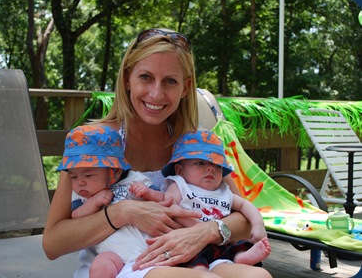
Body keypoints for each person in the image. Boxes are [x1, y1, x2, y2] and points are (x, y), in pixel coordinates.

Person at [43, 28, 272, 278]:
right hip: (123, 266)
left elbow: (243, 218)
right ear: (128, 77)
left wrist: (204, 232)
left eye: (170, 81)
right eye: (145, 77)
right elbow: (53, 244)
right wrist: (123, 212)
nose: (156, 94)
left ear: (185, 88)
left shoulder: (195, 142)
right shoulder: (94, 142)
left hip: (191, 261)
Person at [57, 124, 164, 278]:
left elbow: (162, 199)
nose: (80, 182)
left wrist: (148, 193)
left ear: (115, 172)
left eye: (88, 175)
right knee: (99, 268)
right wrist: (93, 202)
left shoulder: (134, 180)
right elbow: (76, 216)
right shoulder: (83, 195)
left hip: (150, 249)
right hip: (112, 255)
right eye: (74, 176)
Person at [161, 129, 271, 272]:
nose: (211, 168)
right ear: (180, 171)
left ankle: (240, 257)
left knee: (239, 246)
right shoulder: (180, 186)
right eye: (200, 163)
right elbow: (170, 206)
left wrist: (258, 225)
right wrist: (195, 225)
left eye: (217, 166)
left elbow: (245, 205)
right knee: (197, 264)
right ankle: (203, 270)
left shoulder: (223, 191)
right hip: (190, 244)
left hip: (221, 243)